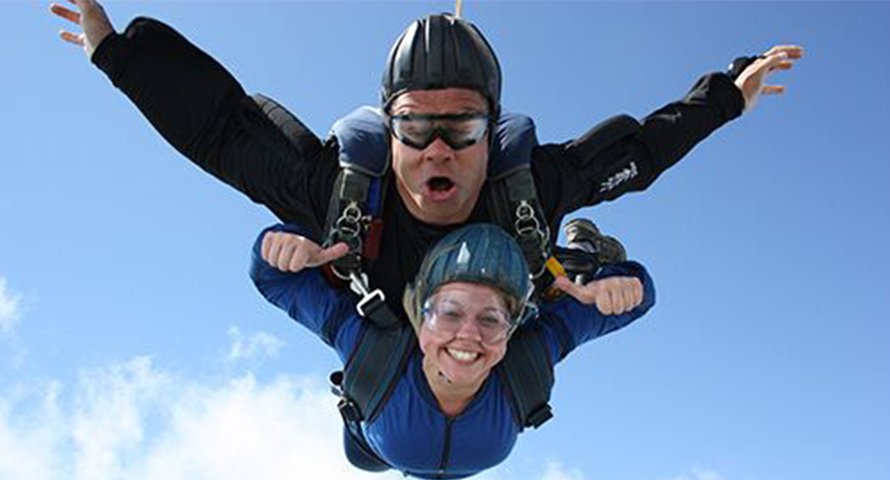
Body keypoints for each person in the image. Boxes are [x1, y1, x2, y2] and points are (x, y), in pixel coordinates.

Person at [50, 1, 803, 313]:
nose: (438, 148)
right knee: (372, 445)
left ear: (492, 129)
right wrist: (117, 54)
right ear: (389, 127)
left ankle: (575, 261)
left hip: (496, 327)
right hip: (389, 326)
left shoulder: (529, 188)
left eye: (463, 127)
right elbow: (220, 129)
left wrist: (727, 97)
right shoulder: (341, 191)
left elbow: (640, 151)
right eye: (415, 128)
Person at [251, 222, 654, 479]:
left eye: (491, 319)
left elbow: (274, 279)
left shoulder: (372, 351)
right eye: (449, 313)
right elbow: (637, 302)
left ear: (509, 330)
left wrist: (623, 284)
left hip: (379, 441)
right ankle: (579, 261)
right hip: (371, 452)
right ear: (420, 318)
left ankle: (579, 261)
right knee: (363, 461)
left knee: (565, 294)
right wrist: (280, 243)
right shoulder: (372, 347)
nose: (468, 335)